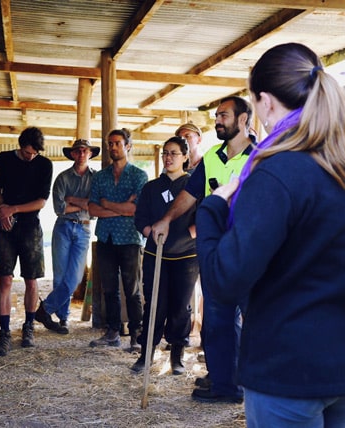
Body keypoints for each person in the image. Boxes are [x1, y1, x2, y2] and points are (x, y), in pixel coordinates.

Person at [197, 42, 345, 426]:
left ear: (266, 102)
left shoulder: (277, 171)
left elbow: (224, 279)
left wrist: (213, 209)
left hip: (287, 368)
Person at [152, 95, 255, 404]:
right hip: (216, 252)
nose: (217, 120)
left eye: (223, 115)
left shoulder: (262, 157)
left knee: (254, 319)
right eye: (216, 116)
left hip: (251, 251)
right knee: (216, 320)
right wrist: (167, 219)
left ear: (242, 120)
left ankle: (250, 383)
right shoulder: (211, 156)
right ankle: (225, 383)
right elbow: (191, 194)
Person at [132, 136, 199, 375]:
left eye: (173, 153)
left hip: (186, 258)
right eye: (165, 153)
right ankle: (146, 354)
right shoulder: (151, 187)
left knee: (181, 307)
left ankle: (177, 356)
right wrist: (149, 231)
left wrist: (189, 234)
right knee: (154, 306)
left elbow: (202, 219)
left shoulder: (194, 186)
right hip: (155, 254)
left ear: (185, 157)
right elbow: (140, 218)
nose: (168, 158)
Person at [0, 126, 53, 356]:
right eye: (27, 152)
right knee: (5, 279)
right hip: (6, 226)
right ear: (20, 145)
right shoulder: (5, 159)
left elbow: (41, 202)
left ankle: (28, 327)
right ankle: (4, 332)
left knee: (31, 280)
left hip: (30, 227)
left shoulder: (45, 164)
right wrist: (2, 209)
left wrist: (13, 209)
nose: (31, 157)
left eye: (35, 153)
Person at [88, 128, 147, 350]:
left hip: (131, 238)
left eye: (117, 143)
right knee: (109, 288)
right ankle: (113, 332)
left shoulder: (138, 175)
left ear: (128, 146)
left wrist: (108, 205)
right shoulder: (100, 177)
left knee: (132, 289)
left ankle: (136, 334)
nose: (113, 147)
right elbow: (92, 208)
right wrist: (120, 208)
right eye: (110, 144)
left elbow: (136, 209)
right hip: (106, 237)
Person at [35, 139, 99, 335]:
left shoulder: (96, 178)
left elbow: (94, 208)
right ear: (72, 154)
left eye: (84, 151)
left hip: (84, 228)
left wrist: (73, 200)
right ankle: (63, 318)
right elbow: (59, 208)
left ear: (89, 153)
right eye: (77, 151)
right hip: (63, 227)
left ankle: (45, 309)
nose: (81, 154)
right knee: (60, 275)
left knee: (75, 277)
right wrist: (83, 203)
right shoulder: (62, 177)